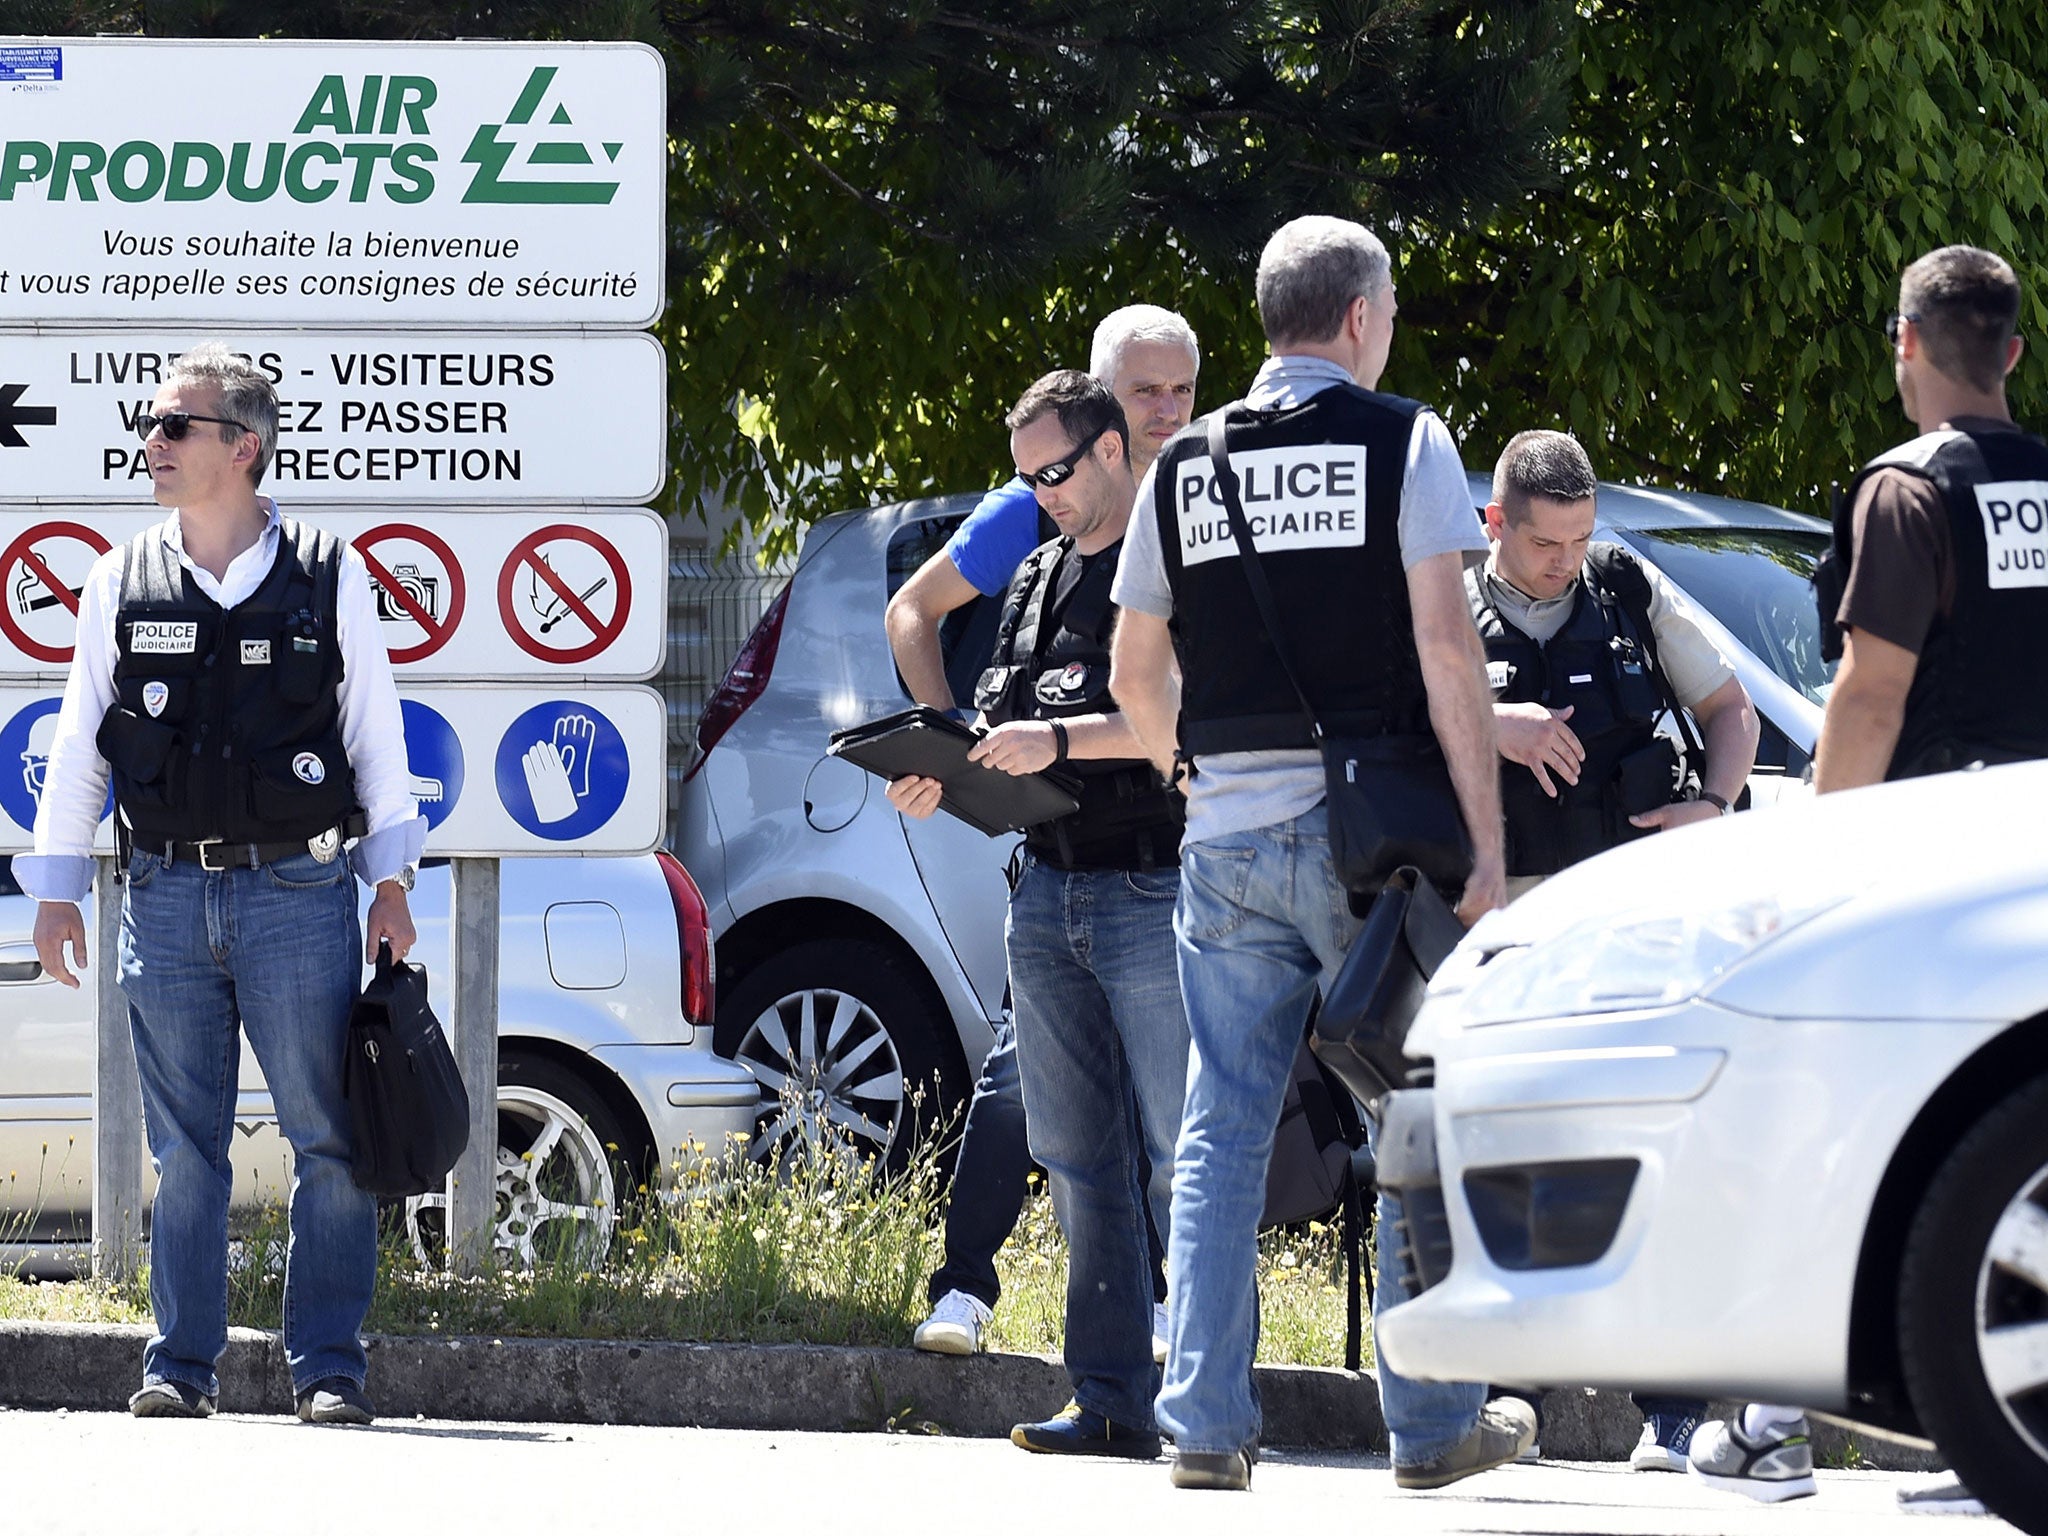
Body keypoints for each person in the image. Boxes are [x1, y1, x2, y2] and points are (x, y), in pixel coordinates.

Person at [1110, 214, 1527, 1492]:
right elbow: (1449, 653)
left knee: (1217, 1126)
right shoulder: (1405, 439)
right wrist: (1488, 843)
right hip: (1372, 849)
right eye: (1389, 308)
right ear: (1357, 317)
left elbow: (1135, 676)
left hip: (1223, 843)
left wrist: (1198, 774)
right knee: (1403, 1111)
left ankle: (1202, 1428)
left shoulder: (1180, 465)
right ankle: (1434, 1424)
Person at [1690, 245, 2047, 1513]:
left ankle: (1771, 1422)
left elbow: (1872, 690)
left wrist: (1811, 860)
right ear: (2008, 351)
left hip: (1931, 854)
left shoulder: (1904, 493)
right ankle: (2001, 1426)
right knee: (2014, 1152)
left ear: (1905, 344)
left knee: (1845, 1114)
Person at [20, 343, 423, 1425]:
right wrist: (56, 892)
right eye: (149, 426)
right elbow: (76, 747)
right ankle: (178, 1367)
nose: (149, 444)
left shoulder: (331, 574)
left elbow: (375, 741)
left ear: (242, 447)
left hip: (300, 897)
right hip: (159, 897)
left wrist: (391, 886)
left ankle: (329, 1366)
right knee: (183, 1151)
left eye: (172, 427)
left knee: (327, 1140)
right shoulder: (120, 576)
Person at [887, 370, 1191, 1458]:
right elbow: (1003, 729)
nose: (1041, 495)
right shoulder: (1030, 573)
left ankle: (1207, 1404)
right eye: (1026, 478)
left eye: (1055, 472)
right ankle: (1108, 1399)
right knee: (1075, 1155)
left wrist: (1056, 743)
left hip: (1153, 884)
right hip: (1047, 885)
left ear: (1111, 449)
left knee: (1180, 1150)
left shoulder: (1173, 564)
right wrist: (945, 769)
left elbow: (1175, 728)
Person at [1472, 428, 1758, 1469]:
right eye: (1545, 543)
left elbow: (1729, 711)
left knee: (1648, 1153)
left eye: (1579, 538)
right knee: (1520, 1165)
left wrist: (1712, 803)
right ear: (1494, 523)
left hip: (1635, 921)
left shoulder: (1624, 591)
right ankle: (1508, 1401)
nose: (1565, 561)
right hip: (1504, 935)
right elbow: (1388, 738)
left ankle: (1672, 1408)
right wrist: (1484, 718)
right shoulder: (1445, 612)